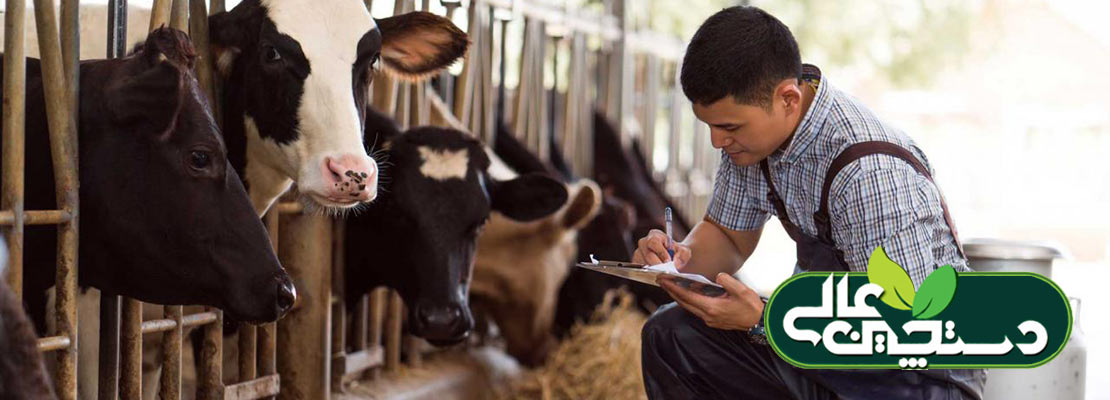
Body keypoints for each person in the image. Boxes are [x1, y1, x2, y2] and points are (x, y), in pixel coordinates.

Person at [632, 6, 986, 399]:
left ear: (787, 98)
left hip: (916, 376)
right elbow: (728, 238)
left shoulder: (868, 173)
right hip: (827, 355)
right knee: (671, 335)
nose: (717, 141)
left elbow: (913, 325)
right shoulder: (752, 144)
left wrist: (766, 322)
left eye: (729, 127)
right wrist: (675, 262)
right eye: (711, 126)